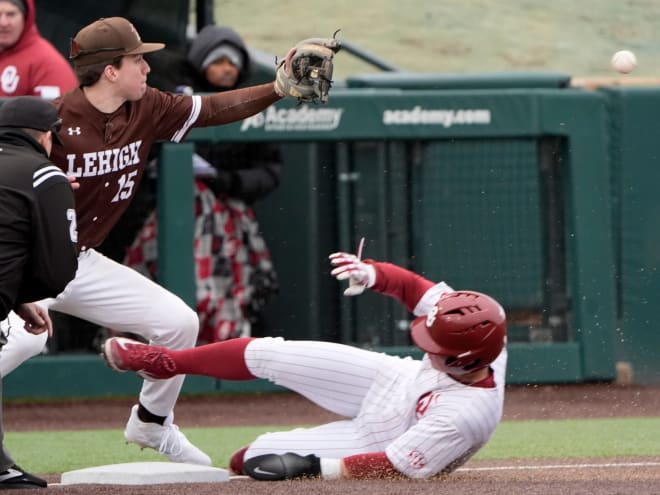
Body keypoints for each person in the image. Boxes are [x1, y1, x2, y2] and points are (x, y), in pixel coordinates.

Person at [0, 16, 337, 466]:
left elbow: (215, 110)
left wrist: (275, 89)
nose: (147, 67)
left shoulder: (148, 107)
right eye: (138, 58)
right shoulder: (60, 120)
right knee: (25, 341)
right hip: (30, 262)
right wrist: (38, 181)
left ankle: (152, 423)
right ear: (110, 70)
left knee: (178, 323)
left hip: (79, 261)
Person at [101, 247, 508, 480]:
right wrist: (373, 273)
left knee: (248, 459)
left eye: (434, 344)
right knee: (269, 351)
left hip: (384, 438)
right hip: (395, 380)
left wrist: (313, 467)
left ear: (462, 361)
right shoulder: (474, 324)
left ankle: (290, 452)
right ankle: (166, 362)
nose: (425, 341)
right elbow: (411, 287)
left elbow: (392, 466)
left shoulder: (464, 416)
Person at [125, 25, 282, 342]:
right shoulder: (170, 96)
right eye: (218, 61)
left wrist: (226, 181)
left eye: (232, 62)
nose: (226, 69)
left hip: (233, 213)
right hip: (164, 214)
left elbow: (270, 171)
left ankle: (224, 335)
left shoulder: (254, 98)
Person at [0, 96, 78, 488]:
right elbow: (57, 271)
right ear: (46, 137)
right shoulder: (43, 173)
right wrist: (18, 293)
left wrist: (14, 300)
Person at [0, 0, 78, 99]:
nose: (3, 23)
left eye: (11, 14)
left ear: (26, 17)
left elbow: (57, 111)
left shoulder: (48, 64)